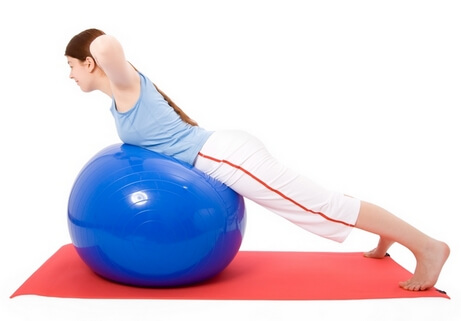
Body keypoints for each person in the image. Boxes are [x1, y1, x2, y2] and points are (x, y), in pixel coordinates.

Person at [65, 28, 449, 291]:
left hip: (225, 158)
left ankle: (428, 247)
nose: (69, 75)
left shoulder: (125, 81)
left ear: (89, 63)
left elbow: (107, 44)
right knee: (318, 200)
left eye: (70, 64)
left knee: (320, 209)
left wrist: (95, 42)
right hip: (222, 152)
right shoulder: (118, 99)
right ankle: (388, 232)